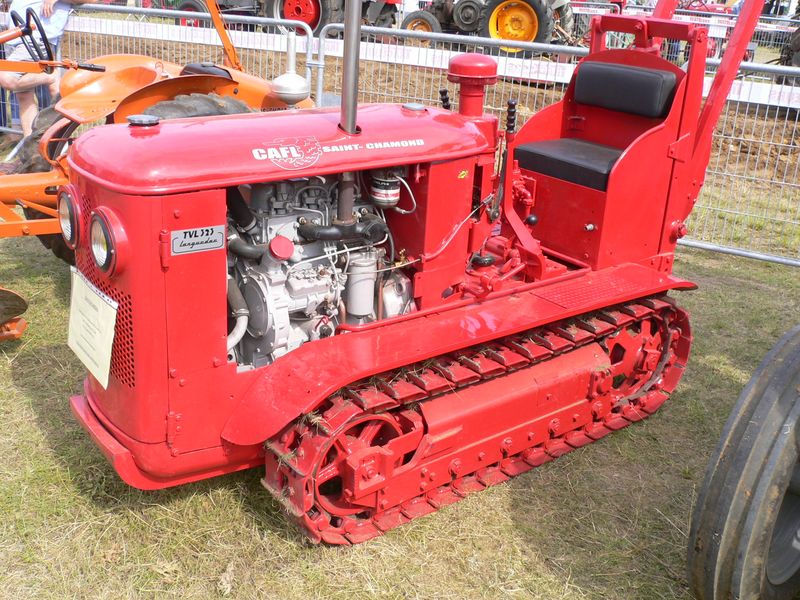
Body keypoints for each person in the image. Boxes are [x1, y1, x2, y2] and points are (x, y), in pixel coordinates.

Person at [0, 0, 90, 136]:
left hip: (33, 40)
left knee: (6, 78)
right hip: (16, 38)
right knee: (24, 96)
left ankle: (50, 77)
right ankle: (31, 150)